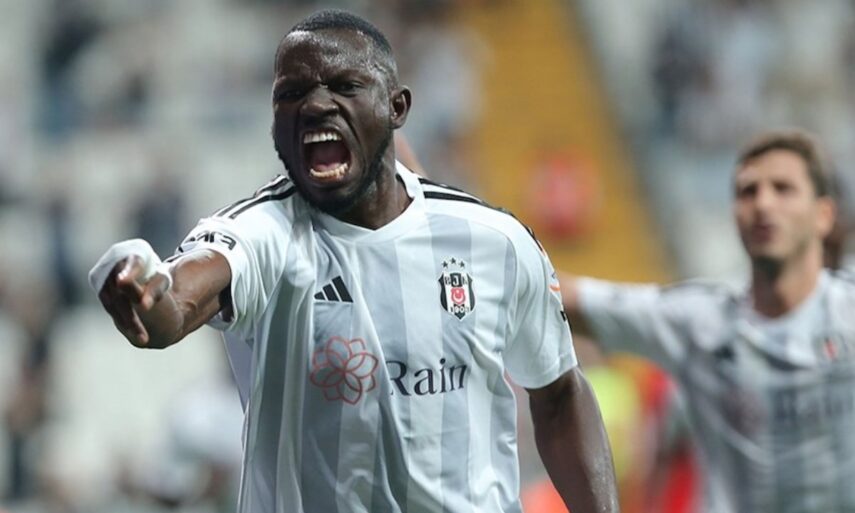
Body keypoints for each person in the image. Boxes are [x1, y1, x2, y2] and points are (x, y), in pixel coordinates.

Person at [88, 10, 619, 513]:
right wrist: (149, 293)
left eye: (344, 86)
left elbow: (559, 392)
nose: (316, 104)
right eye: (291, 93)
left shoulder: (494, 242)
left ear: (397, 108)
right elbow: (179, 301)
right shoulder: (263, 233)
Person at [560, 130, 855, 513]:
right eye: (747, 192)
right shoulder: (700, 322)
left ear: (824, 215)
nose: (763, 203)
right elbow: (569, 297)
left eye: (783, 189)